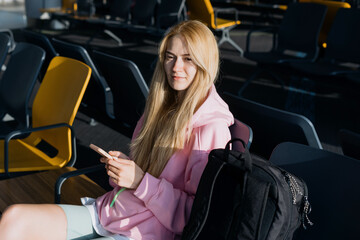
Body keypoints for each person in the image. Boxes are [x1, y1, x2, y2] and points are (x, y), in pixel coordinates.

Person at [0, 20, 234, 240]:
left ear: (205, 62)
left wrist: (140, 181)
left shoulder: (211, 129)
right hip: (112, 212)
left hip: (146, 232)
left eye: (188, 59)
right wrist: (124, 168)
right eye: (170, 57)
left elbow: (196, 216)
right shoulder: (159, 107)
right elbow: (140, 178)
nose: (176, 67)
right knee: (13, 220)